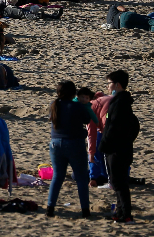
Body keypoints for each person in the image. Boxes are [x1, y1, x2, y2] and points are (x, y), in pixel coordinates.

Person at [44, 81, 97, 218]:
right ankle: (85, 210)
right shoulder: (76, 106)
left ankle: (50, 207)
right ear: (73, 93)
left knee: (58, 176)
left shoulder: (53, 105)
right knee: (81, 178)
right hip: (74, 144)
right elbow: (87, 120)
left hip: (55, 143)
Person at [100, 69, 139, 223]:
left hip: (117, 149)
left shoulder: (120, 102)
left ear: (117, 84)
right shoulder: (120, 101)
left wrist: (105, 144)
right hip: (118, 147)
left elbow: (114, 126)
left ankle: (126, 214)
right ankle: (120, 211)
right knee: (117, 183)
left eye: (109, 83)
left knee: (119, 183)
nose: (108, 86)